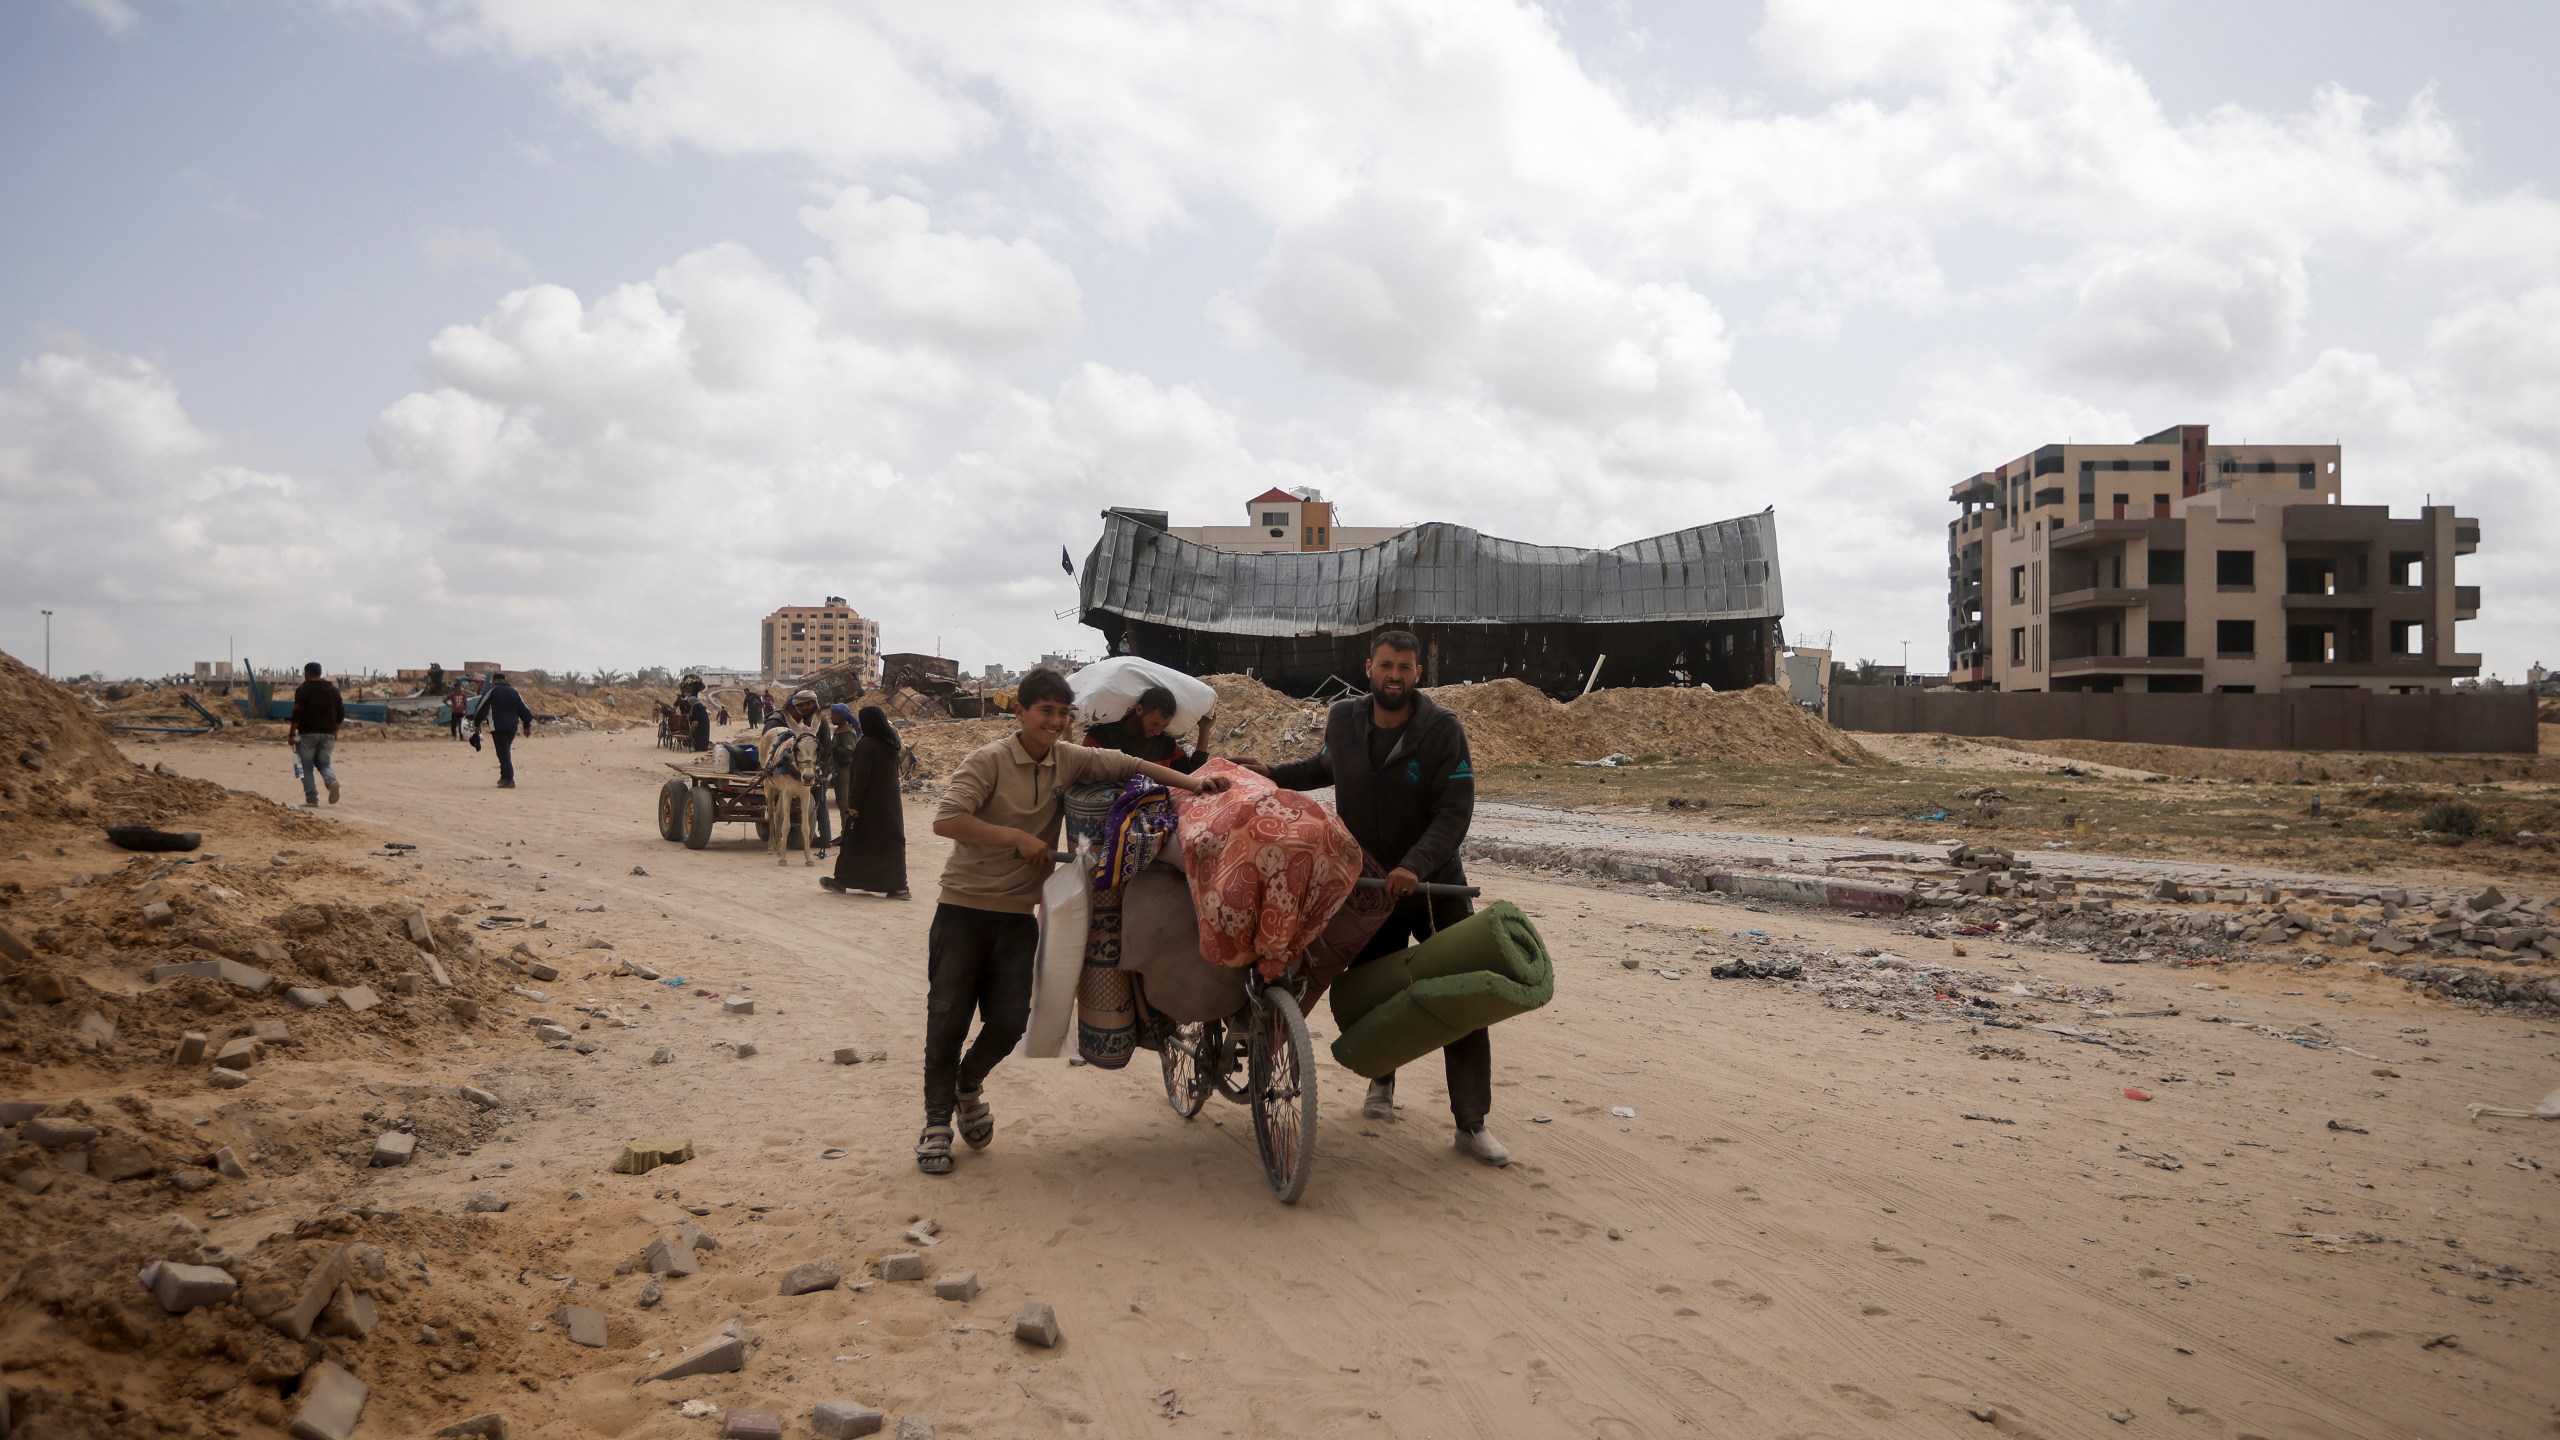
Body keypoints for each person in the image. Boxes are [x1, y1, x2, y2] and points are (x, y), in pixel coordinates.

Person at [918, 667, 1232, 1176]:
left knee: (1010, 1021)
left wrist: (1195, 784)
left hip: (1019, 915)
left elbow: (1130, 763)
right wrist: (1016, 838)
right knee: (947, 1018)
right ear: (1020, 712)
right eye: (1046, 711)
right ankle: (936, 1124)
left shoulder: (1068, 758)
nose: (1056, 721)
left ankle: (967, 1084)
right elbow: (946, 819)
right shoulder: (989, 760)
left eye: (1064, 713)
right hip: (963, 908)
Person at [1263, 630, 1507, 1166]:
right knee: (1377, 993)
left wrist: (1414, 865)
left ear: (1417, 674)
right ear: (1369, 666)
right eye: (1386, 665)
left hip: (1432, 886)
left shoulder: (1443, 730)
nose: (1394, 675)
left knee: (1459, 994)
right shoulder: (1344, 720)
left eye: (1404, 667)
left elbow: (1455, 809)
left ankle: (1471, 1123)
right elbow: (1325, 767)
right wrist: (1269, 775)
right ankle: (1381, 1085)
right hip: (1369, 887)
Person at [821, 704, 909, 900]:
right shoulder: (890, 744)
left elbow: (859, 779)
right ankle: (899, 887)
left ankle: (841, 881)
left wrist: (853, 804)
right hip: (889, 806)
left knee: (854, 841)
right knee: (889, 844)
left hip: (869, 805)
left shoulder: (867, 745)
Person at [1081, 684, 1213, 773]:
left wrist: (1204, 729)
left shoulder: (1165, 743)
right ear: (1139, 709)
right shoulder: (1102, 737)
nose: (1158, 731)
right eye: (1154, 724)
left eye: (1164, 726)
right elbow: (1082, 775)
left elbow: (1193, 775)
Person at [763, 689, 835, 849]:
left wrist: (816, 768)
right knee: (818, 801)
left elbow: (813, 749)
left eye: (804, 705)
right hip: (813, 765)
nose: (801, 709)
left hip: (815, 766)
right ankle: (820, 836)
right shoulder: (806, 719)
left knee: (818, 802)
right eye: (799, 706)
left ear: (812, 704)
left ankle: (823, 838)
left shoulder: (814, 721)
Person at [287, 662, 344, 807]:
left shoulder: (303, 690)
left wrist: (292, 734)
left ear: (307, 672)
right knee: (324, 764)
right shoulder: (334, 690)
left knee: (305, 767)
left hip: (307, 735)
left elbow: (297, 714)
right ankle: (332, 783)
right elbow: (341, 714)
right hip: (328, 734)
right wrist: (335, 731)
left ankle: (312, 799)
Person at [478, 671, 537, 788]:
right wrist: (526, 726)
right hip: (512, 727)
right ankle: (504, 777)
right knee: (504, 751)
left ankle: (509, 779)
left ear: (494, 680)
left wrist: (476, 723)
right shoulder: (515, 692)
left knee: (503, 752)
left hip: (498, 726)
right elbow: (525, 711)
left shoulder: (492, 691)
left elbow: (482, 708)